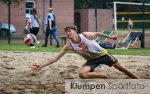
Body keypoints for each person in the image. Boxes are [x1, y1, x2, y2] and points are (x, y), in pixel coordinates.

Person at [32, 25, 139, 79]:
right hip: (92, 60)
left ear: (75, 31)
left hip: (102, 54)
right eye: (66, 32)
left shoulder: (85, 35)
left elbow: (97, 34)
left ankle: (138, 80)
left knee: (121, 68)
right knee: (82, 74)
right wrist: (41, 65)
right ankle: (104, 76)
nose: (68, 33)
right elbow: (55, 58)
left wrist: (110, 37)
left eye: (70, 31)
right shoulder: (69, 46)